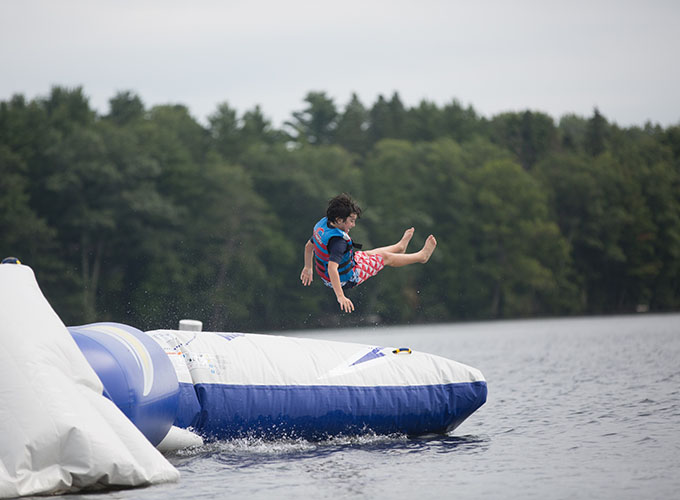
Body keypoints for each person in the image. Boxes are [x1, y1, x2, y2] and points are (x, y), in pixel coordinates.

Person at [300, 193, 437, 313]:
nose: (353, 225)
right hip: (347, 279)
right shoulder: (338, 242)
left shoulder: (323, 226)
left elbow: (308, 246)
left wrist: (308, 267)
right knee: (384, 258)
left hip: (332, 276)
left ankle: (399, 247)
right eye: (351, 221)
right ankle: (421, 256)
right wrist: (340, 296)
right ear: (339, 220)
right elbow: (332, 268)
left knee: (368, 255)